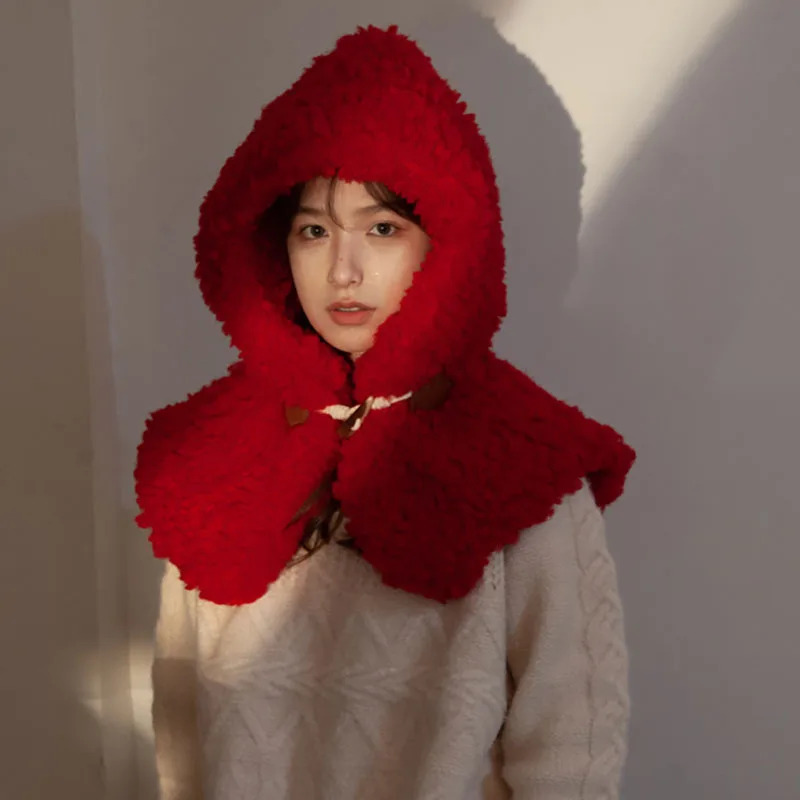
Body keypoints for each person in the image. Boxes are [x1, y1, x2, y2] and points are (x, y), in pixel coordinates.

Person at [136, 25, 636, 800]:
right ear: (271, 245)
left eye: (382, 228)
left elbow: (572, 748)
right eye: (313, 230)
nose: (343, 269)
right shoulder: (209, 462)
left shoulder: (527, 468)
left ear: (448, 242)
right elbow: (181, 730)